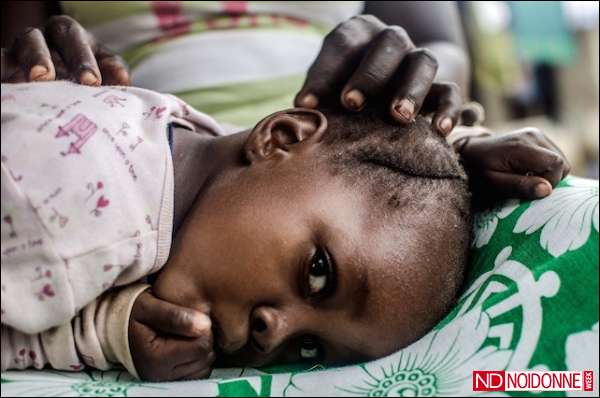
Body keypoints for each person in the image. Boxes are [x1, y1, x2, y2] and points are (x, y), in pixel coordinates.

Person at [1, 79, 569, 381]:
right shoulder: (73, 226)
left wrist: (452, 155)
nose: (275, 335)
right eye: (318, 274)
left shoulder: (165, 135)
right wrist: (95, 336)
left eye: (309, 349)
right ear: (282, 136)